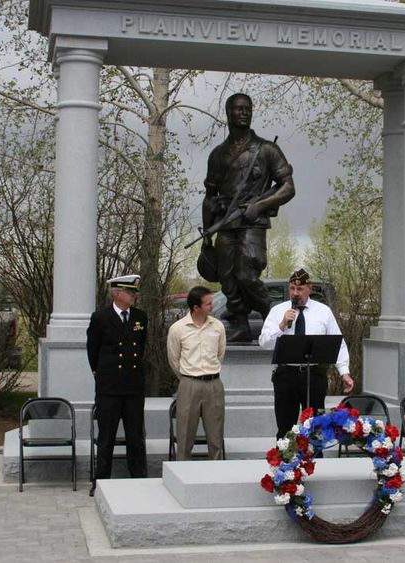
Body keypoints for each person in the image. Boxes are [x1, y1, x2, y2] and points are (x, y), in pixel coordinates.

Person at [202, 92, 295, 342]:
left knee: (246, 274)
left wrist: (260, 205)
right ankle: (242, 326)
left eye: (247, 108)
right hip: (225, 223)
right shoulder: (218, 155)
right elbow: (210, 196)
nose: (243, 112)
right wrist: (206, 232)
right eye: (238, 108)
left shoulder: (267, 149)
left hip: (252, 223)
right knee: (227, 277)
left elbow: (288, 187)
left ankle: (272, 316)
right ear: (228, 113)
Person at [259, 268, 355, 439]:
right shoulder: (278, 311)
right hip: (287, 375)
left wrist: (344, 372)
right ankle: (286, 463)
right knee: (285, 427)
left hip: (314, 374)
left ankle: (315, 462)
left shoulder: (323, 311)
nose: (295, 293)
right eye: (292, 289)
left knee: (316, 426)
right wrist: (281, 325)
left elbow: (337, 343)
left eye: (300, 289)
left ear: (309, 288)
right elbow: (264, 342)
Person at [86, 275, 148, 496]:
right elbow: (92, 352)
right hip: (109, 389)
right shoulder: (100, 318)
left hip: (133, 388)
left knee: (135, 437)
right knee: (106, 438)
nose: (133, 295)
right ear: (116, 293)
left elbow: (140, 349)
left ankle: (140, 480)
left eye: (134, 292)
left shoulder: (141, 317)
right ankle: (101, 482)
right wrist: (103, 373)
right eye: (129, 292)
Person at [166, 286, 226, 460]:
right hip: (189, 384)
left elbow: (220, 354)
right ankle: (182, 476)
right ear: (196, 307)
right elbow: (174, 359)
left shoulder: (218, 327)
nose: (212, 307)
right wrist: (188, 378)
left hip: (214, 384)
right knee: (185, 437)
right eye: (208, 304)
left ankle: (215, 476)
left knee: (215, 437)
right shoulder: (178, 329)